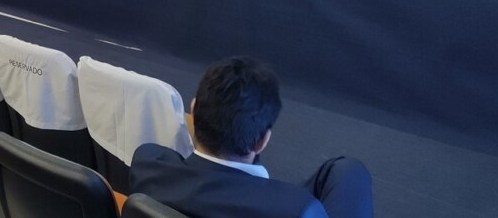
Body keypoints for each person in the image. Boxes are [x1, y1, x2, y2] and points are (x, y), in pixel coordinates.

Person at [131, 56, 373, 218]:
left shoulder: (147, 164)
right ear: (262, 141)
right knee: (350, 172)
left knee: (343, 171)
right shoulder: (300, 209)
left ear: (193, 111)